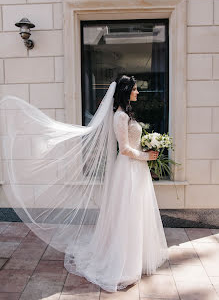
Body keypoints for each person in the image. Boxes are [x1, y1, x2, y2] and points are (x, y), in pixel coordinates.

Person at [0, 74, 169, 293]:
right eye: (135, 89)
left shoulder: (126, 114)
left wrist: (146, 154)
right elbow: (125, 149)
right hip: (128, 170)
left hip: (137, 170)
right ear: (126, 91)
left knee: (137, 212)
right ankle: (125, 262)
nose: (138, 92)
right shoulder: (119, 116)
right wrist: (148, 156)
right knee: (128, 213)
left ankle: (140, 256)